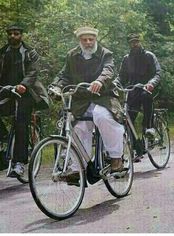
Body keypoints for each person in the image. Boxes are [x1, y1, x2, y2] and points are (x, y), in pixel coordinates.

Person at [52, 26, 125, 177]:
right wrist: (56, 87)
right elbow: (64, 75)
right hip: (82, 101)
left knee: (102, 116)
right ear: (79, 41)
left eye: (91, 39)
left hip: (104, 97)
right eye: (84, 40)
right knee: (78, 127)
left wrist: (99, 81)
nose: (88, 43)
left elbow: (109, 70)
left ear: (95, 40)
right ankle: (78, 168)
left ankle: (116, 158)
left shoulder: (105, 53)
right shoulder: (72, 55)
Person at [0, 24, 49, 176]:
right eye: (10, 34)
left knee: (21, 121)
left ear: (21, 35)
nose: (13, 36)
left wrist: (23, 85)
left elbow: (33, 72)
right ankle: (5, 138)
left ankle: (19, 163)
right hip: (7, 91)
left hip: (27, 92)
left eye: (16, 33)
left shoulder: (30, 52)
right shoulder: (2, 52)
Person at [116, 33, 161, 159]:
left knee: (146, 97)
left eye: (136, 42)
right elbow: (121, 76)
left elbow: (157, 73)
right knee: (128, 118)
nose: (134, 44)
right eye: (132, 42)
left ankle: (149, 127)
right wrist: (115, 83)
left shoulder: (149, 56)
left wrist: (151, 83)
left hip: (148, 88)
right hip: (133, 91)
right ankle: (137, 148)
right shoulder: (127, 59)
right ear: (129, 44)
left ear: (140, 42)